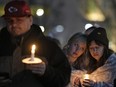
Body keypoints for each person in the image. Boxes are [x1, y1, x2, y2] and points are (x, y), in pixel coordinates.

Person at [0, 1, 71, 87]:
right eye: (9, 21)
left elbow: (64, 78)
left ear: (30, 20)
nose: (14, 24)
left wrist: (46, 72)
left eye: (19, 20)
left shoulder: (48, 47)